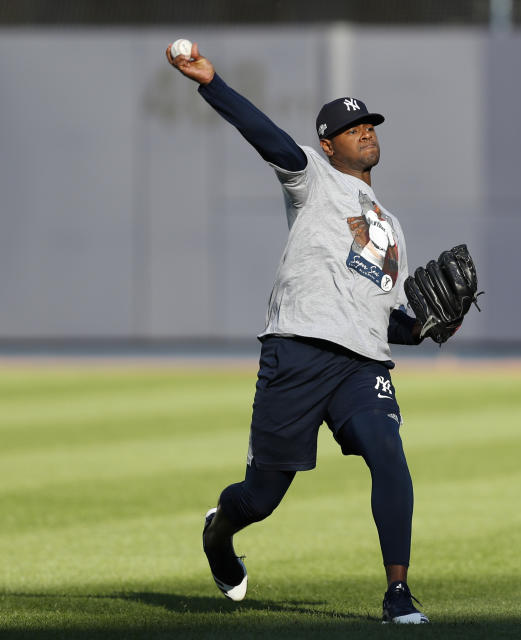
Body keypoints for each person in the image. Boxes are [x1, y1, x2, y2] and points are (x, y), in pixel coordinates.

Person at [166, 41, 431, 624]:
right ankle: (219, 533)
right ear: (328, 142)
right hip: (299, 350)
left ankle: (398, 595)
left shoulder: (393, 228)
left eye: (369, 124)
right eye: (350, 126)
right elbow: (267, 137)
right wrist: (212, 84)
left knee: (389, 454)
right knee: (261, 496)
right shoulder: (312, 179)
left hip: (362, 363)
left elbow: (387, 316)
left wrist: (433, 326)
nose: (364, 130)